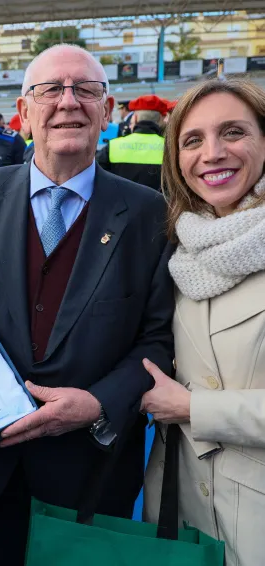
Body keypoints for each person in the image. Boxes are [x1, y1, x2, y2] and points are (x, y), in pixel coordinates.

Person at [0, 44, 175, 565]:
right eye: (50, 90)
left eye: (86, 89)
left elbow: (158, 338)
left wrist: (99, 403)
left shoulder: (149, 213)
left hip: (94, 468)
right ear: (24, 113)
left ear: (107, 113)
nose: (69, 101)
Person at [143, 78, 265, 566]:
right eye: (192, 140)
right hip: (182, 505)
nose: (212, 153)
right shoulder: (181, 246)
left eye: (233, 132)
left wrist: (195, 407)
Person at [96, 95, 166, 190]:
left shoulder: (113, 146)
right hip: (160, 200)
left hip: (119, 199)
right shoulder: (169, 148)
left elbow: (97, 178)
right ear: (160, 121)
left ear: (135, 118)